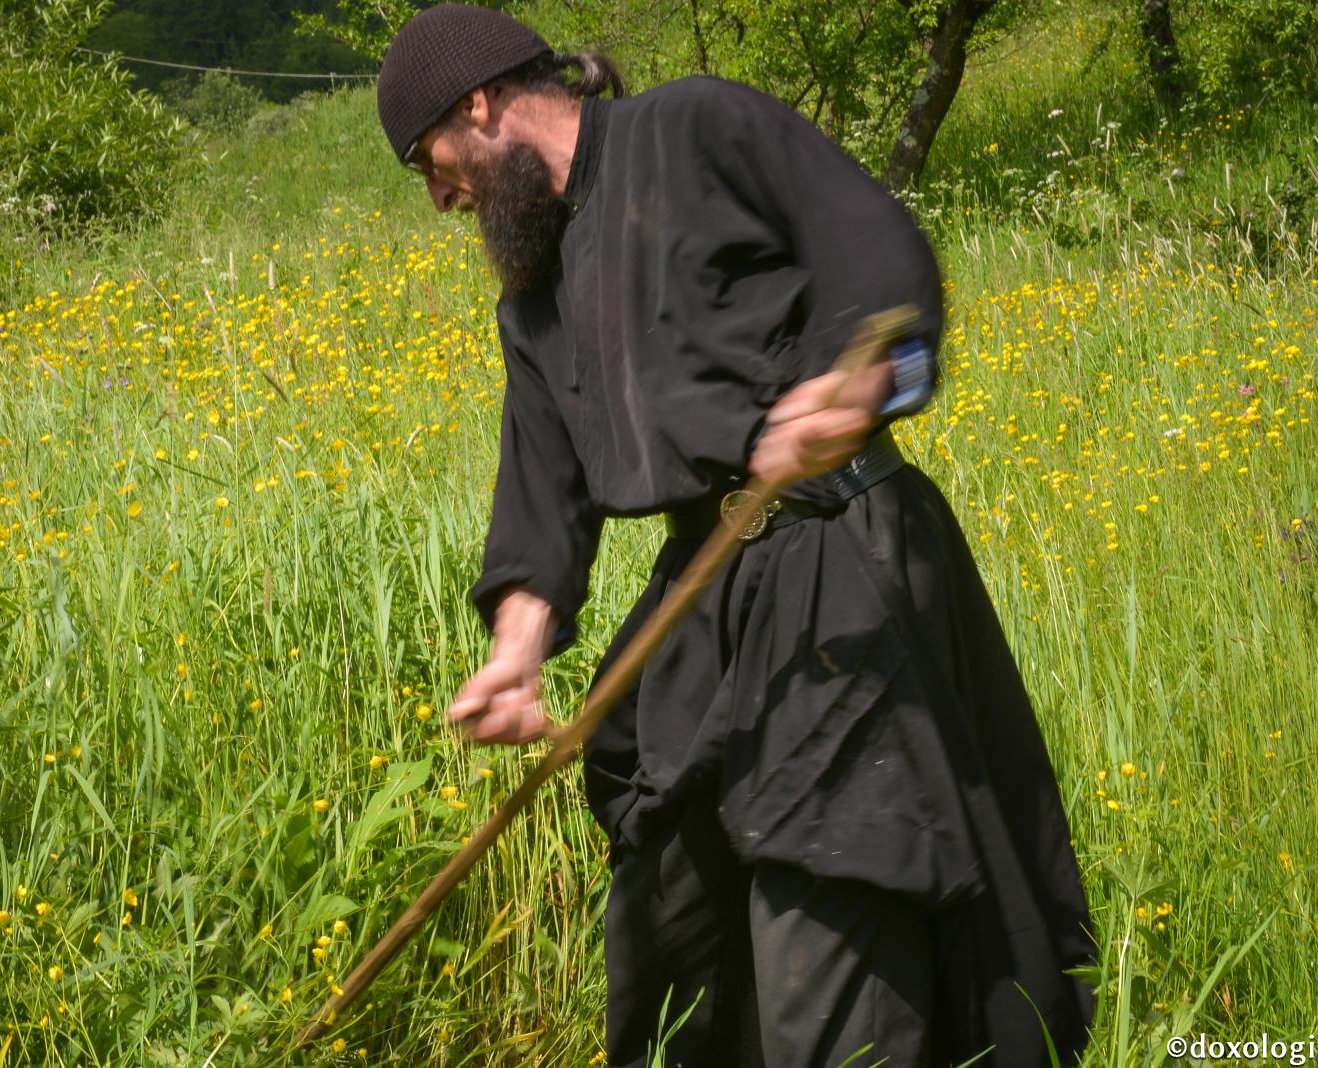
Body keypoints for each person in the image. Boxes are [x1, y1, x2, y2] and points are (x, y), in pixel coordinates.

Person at [374, 6, 1095, 1066]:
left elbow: (875, 247)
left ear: (476, 103)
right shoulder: (529, 301)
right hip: (705, 592)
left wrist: (856, 383)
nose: (437, 195)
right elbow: (543, 491)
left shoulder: (697, 127)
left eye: (425, 160)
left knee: (836, 865)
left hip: (840, 551)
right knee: (668, 892)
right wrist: (516, 655)